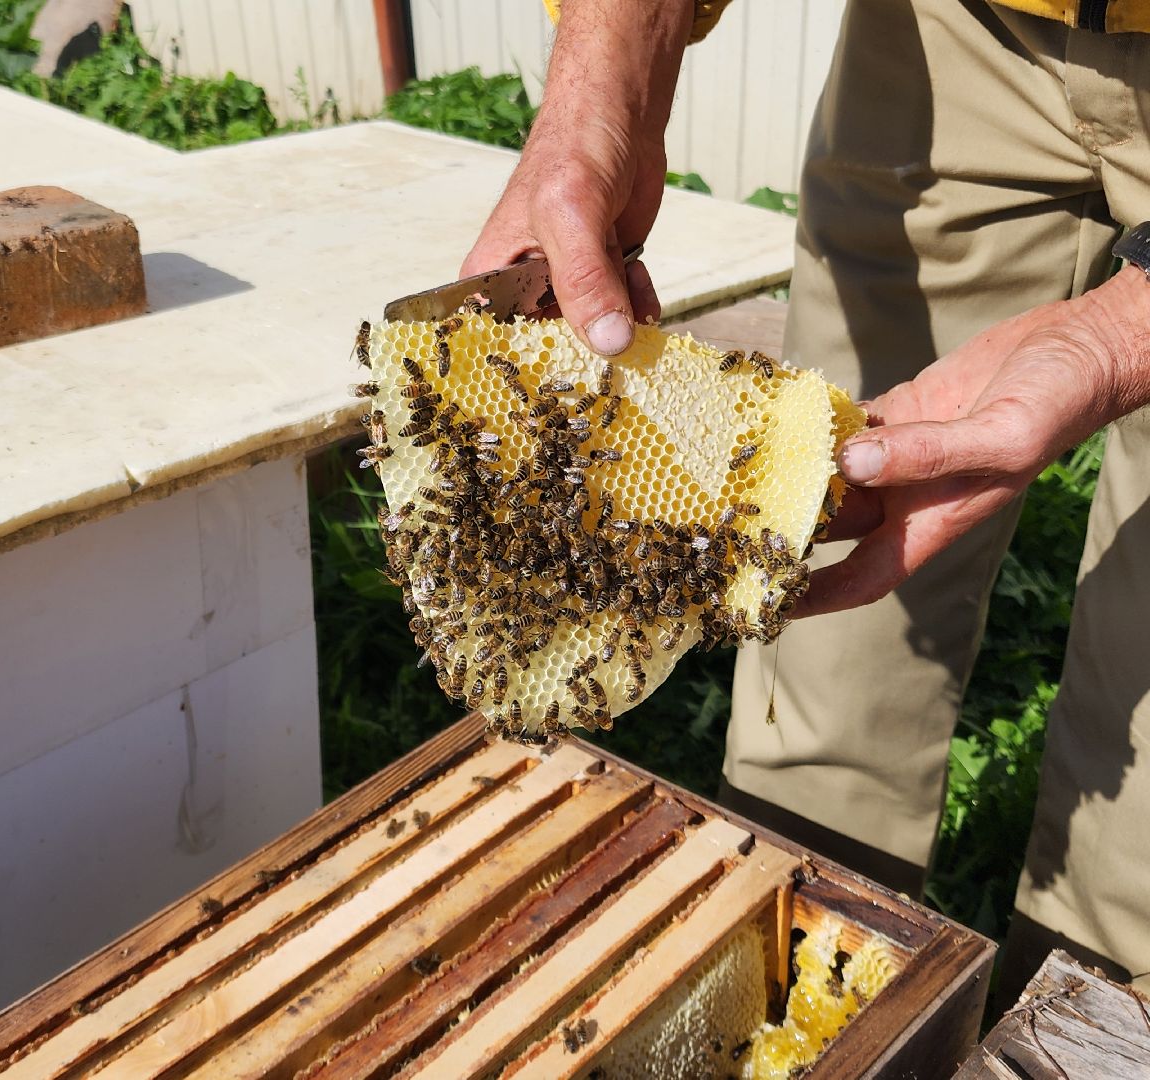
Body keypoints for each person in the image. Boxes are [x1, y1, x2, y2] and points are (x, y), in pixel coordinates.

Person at [463, 0, 1150, 998]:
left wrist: (1122, 337)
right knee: (820, 592)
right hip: (955, 34)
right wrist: (604, 74)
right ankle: (794, 1005)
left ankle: (1095, 1016)